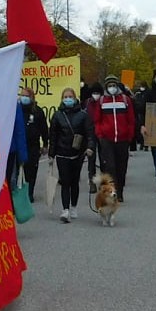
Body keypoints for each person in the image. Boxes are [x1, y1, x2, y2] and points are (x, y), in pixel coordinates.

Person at [47, 87, 95, 222]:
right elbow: (53, 136)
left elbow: (90, 133)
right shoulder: (57, 115)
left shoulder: (83, 115)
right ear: (62, 99)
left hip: (77, 154)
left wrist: (90, 147)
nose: (68, 99)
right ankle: (65, 209)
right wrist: (51, 154)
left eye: (70, 97)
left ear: (75, 99)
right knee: (65, 181)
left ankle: (73, 206)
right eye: (65, 97)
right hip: (62, 153)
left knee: (74, 181)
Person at [90, 74, 135, 202]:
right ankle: (113, 191)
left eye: (114, 85)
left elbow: (131, 120)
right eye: (109, 86)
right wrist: (100, 134)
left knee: (121, 167)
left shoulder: (125, 100)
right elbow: (97, 120)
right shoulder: (102, 101)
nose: (112, 88)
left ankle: (120, 191)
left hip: (123, 139)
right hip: (107, 139)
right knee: (110, 167)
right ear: (106, 87)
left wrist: (130, 135)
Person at [19, 88, 49, 202]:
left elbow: (44, 129)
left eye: (27, 96)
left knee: (31, 170)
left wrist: (45, 143)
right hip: (20, 144)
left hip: (33, 145)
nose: (24, 98)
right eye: (22, 95)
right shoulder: (16, 110)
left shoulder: (38, 112)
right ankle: (20, 193)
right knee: (19, 170)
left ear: (32, 97)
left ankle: (30, 192)